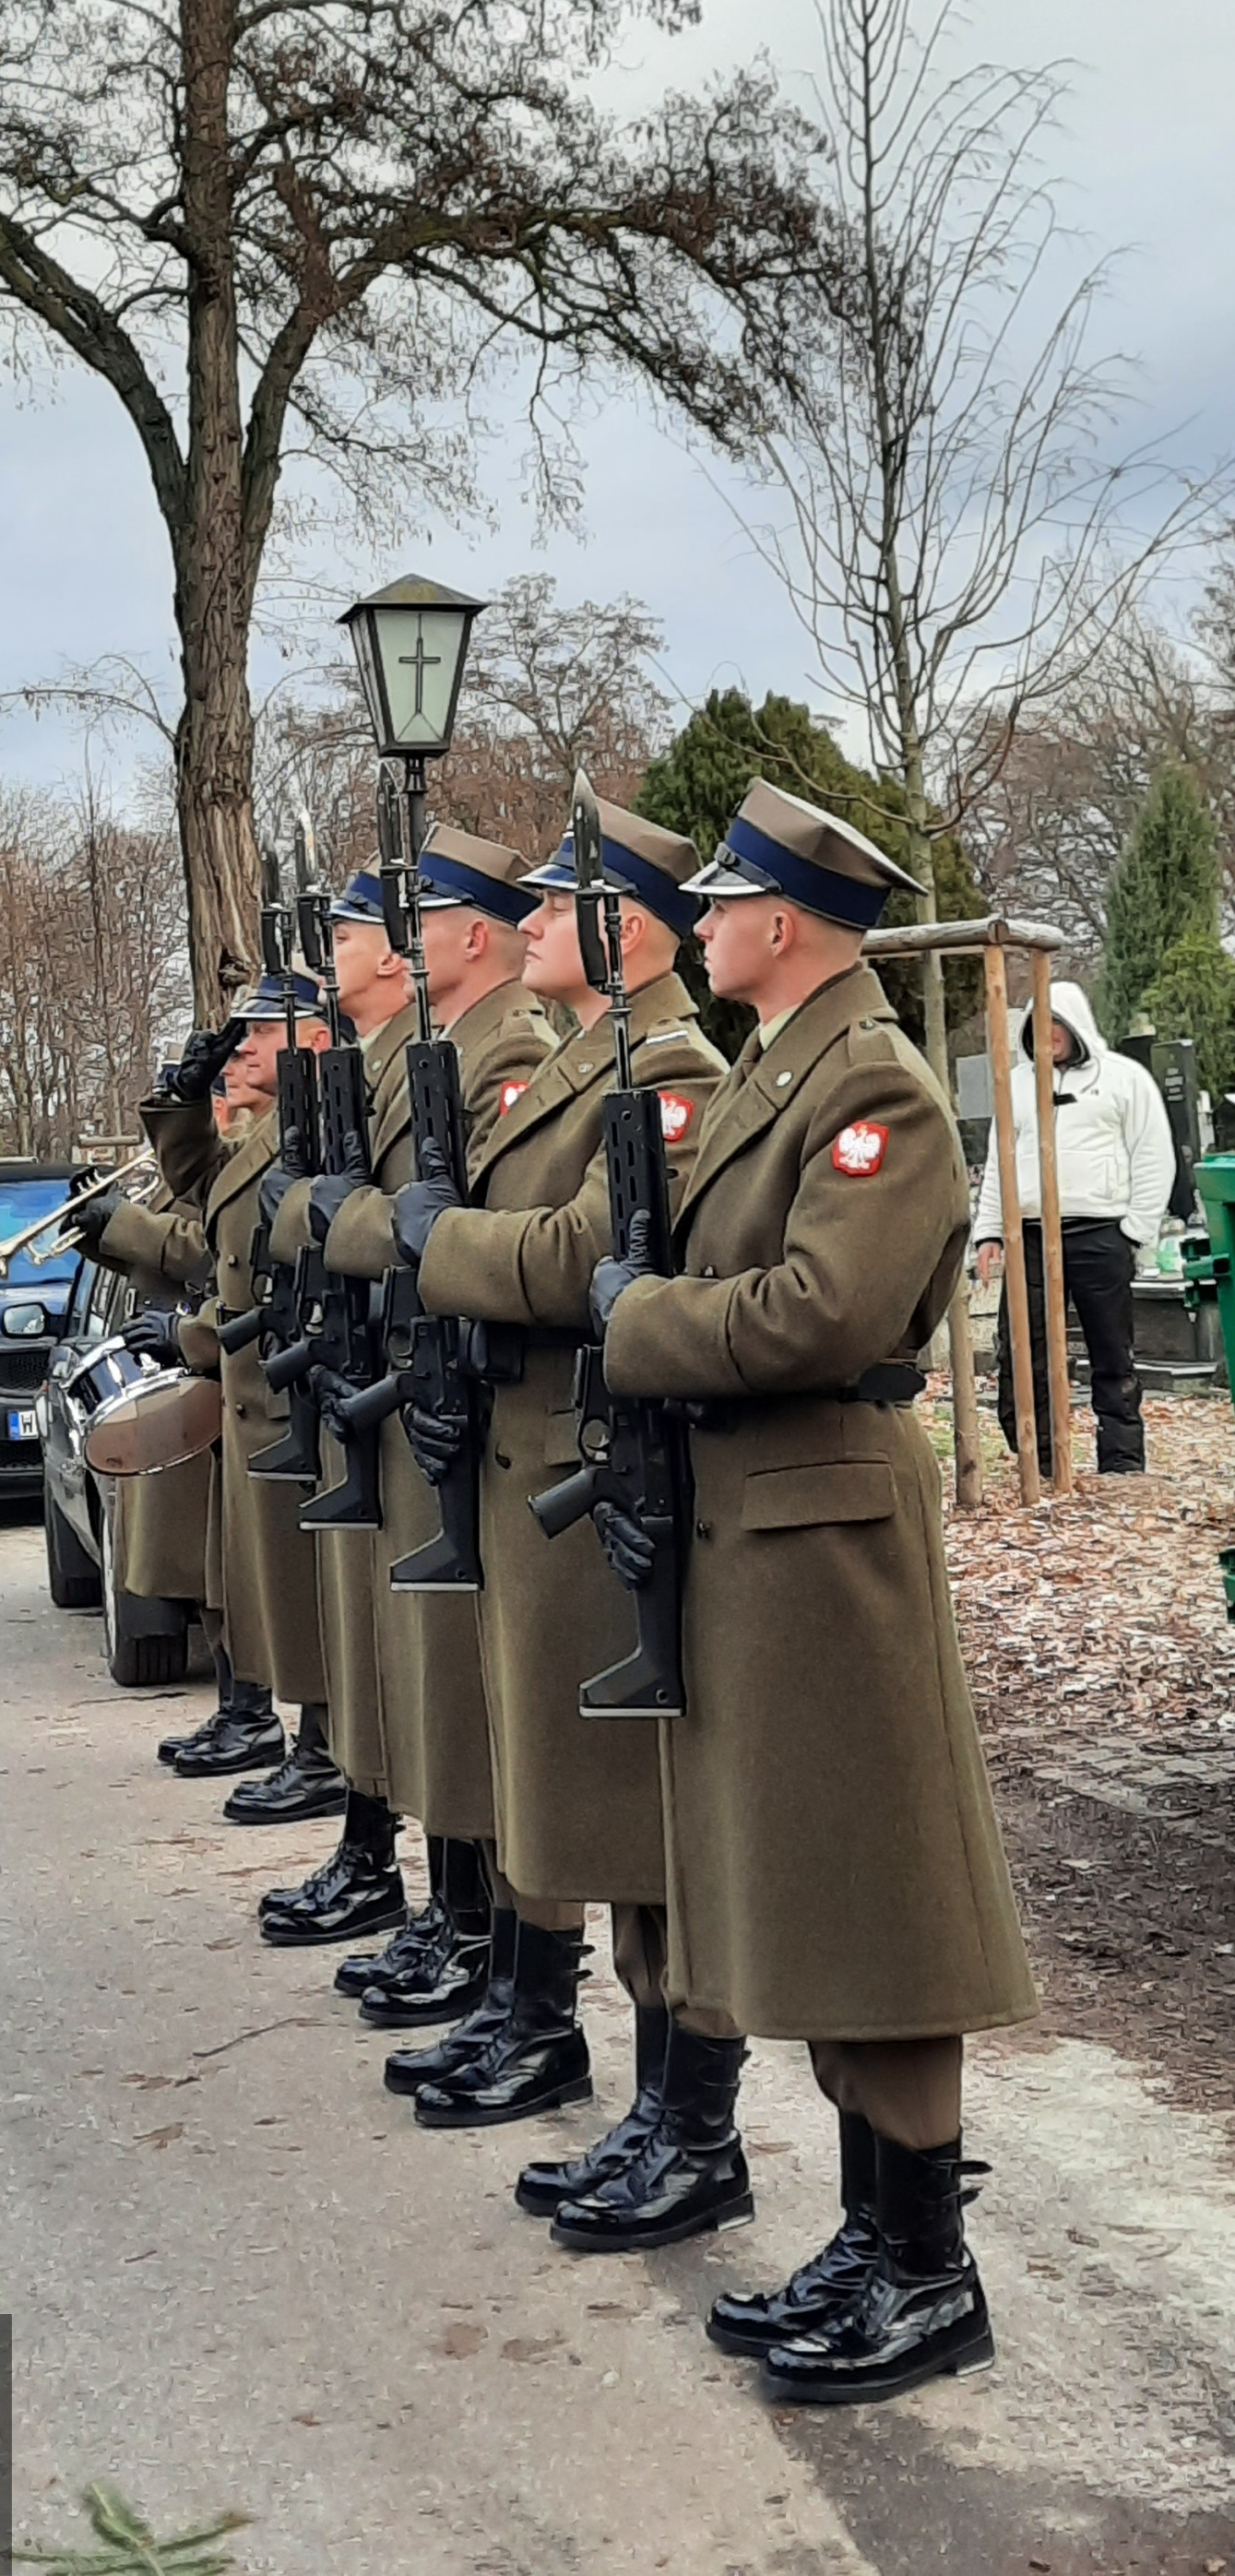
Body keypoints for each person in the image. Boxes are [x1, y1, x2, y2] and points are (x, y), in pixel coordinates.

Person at [595, 778, 1035, 2405]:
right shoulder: (791, 1068)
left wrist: (636, 1318)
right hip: (765, 1527)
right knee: (826, 1888)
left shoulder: (880, 1092)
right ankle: (875, 2231)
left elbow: (819, 1313)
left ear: (783, 922)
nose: (696, 925)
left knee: (883, 1897)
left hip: (830, 1530)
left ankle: (930, 2265)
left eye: (719, 903)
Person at [379, 801, 731, 2222]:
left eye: (552, 906)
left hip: (603, 1461)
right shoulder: (579, 1060)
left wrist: (441, 1241)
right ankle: (577, 2045)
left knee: (635, 1811)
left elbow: (595, 1247)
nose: (528, 926)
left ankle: (679, 2110)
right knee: (551, 1769)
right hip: (541, 1451)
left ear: (622, 925)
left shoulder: (668, 1067)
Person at [256, 832, 556, 1966]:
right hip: (390, 1380)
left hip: (462, 1391)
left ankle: (485, 1937)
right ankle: (445, 1904)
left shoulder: (503, 1052)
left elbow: (437, 1218)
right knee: (409, 1665)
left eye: (401, 924)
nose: (375, 946)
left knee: (454, 1678)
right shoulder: (419, 1052)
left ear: (467, 934)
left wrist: (339, 1219)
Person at [161, 982, 342, 1820]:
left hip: (287, 1388)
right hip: (254, 1394)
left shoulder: (314, 1121)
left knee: (306, 1599)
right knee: (267, 1589)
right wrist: (181, 1099)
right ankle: (303, 1743)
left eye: (259, 1030)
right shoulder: (261, 1130)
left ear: (311, 1032)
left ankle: (322, 1753)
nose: (238, 1049)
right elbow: (207, 1193)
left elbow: (207, 1242)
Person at [80, 1024, 254, 1769]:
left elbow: (209, 1254)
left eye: (249, 1053)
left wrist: (124, 1224)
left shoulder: (262, 1147)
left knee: (239, 1568)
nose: (233, 1069)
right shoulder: (233, 1150)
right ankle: (237, 1705)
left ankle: (254, 1714)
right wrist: (103, 1235)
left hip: (230, 1367)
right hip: (203, 1364)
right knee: (211, 1567)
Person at [972, 979, 1174, 1477]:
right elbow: (1000, 1163)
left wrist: (1134, 1231)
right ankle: (1037, 1458)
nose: (1049, 1035)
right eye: (1039, 1026)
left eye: (1057, 1024)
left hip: (1100, 1233)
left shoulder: (1125, 1079)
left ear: (1075, 1025)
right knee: (1023, 1348)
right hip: (1032, 1236)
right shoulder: (1015, 1085)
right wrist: (990, 1232)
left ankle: (1122, 1461)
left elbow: (1152, 1155)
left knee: (1111, 1350)